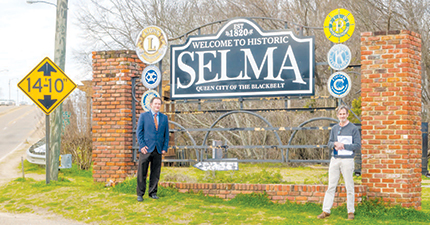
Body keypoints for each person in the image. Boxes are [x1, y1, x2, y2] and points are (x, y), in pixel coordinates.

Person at [317, 105, 361, 220]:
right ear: (337, 115)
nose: (342, 116)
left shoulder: (353, 129)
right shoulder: (335, 128)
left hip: (347, 160)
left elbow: (357, 146)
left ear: (347, 115)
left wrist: (344, 145)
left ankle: (350, 211)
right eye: (340, 114)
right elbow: (329, 143)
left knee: (349, 186)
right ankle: (326, 210)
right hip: (335, 159)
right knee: (331, 186)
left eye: (344, 114)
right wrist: (335, 144)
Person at [136, 96, 169, 202]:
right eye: (155, 104)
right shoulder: (143, 116)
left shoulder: (164, 118)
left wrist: (165, 147)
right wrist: (142, 146)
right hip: (146, 149)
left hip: (158, 149)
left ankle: (153, 192)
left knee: (155, 172)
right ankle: (140, 194)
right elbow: (139, 132)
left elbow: (166, 134)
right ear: (151, 105)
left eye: (159, 104)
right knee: (142, 172)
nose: (157, 106)